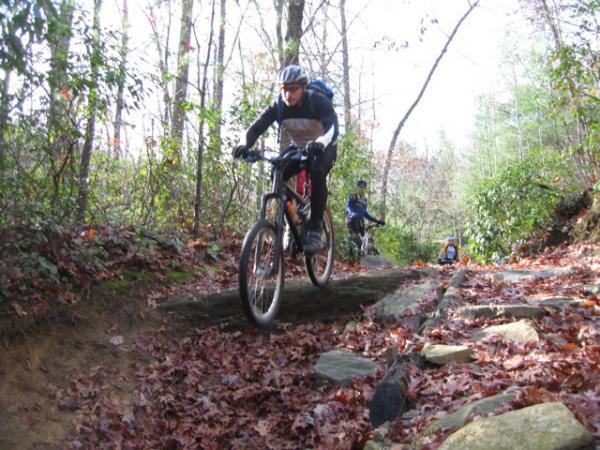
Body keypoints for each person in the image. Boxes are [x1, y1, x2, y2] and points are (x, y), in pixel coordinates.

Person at [233, 65, 338, 254]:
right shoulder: (279, 106)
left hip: (324, 146)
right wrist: (244, 145)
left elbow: (332, 127)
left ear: (304, 88)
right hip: (298, 148)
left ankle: (315, 229)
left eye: (293, 89)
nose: (288, 94)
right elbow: (256, 128)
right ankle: (292, 220)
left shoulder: (318, 101)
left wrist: (320, 142)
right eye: (284, 89)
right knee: (278, 171)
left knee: (317, 170)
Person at [346, 180, 384, 255]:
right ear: (357, 187)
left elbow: (365, 213)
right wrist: (352, 213)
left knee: (362, 240)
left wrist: (377, 221)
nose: (362, 189)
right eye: (360, 187)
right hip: (352, 220)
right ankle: (351, 256)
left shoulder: (364, 200)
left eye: (364, 188)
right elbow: (349, 206)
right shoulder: (353, 196)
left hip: (360, 221)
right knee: (354, 239)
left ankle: (362, 257)